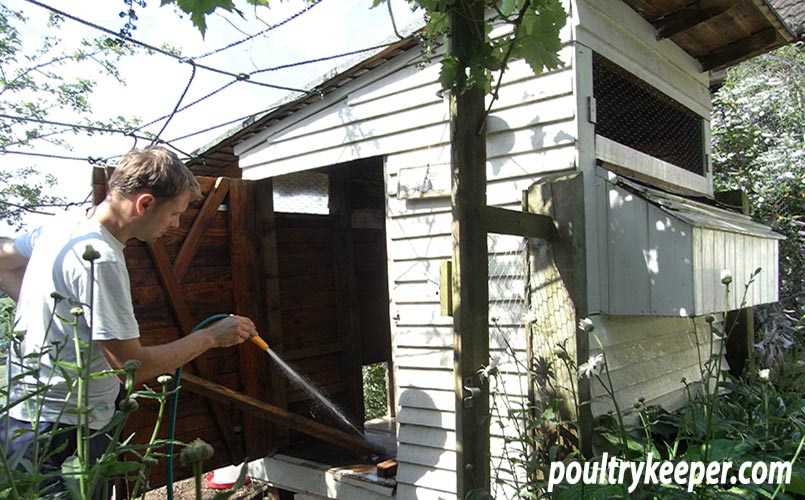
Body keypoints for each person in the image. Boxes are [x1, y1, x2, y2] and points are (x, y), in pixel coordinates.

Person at [0, 146, 258, 496]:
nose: (176, 224)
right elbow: (130, 367)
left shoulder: (60, 227)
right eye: (174, 214)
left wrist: (56, 313)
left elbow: (3, 260)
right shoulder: (100, 258)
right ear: (145, 203)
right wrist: (212, 337)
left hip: (21, 421)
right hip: (66, 434)